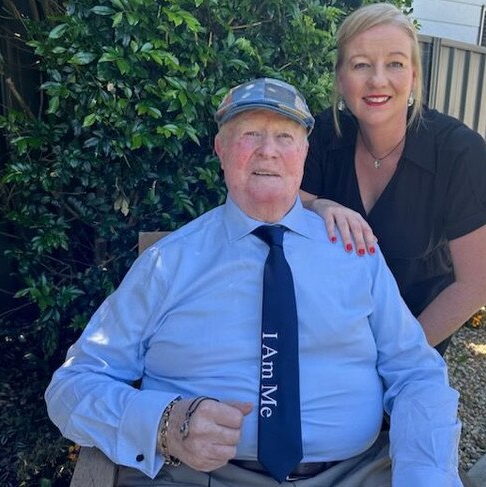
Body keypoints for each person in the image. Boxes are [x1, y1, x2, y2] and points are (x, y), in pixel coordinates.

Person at [46, 77, 463, 487]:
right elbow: (72, 385)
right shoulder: (168, 263)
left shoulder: (355, 254)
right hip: (199, 477)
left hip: (353, 474)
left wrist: (424, 474)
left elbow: (415, 372)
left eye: (285, 136)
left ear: (304, 153)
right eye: (249, 135)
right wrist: (166, 423)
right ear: (221, 150)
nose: (269, 151)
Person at [300, 3, 486, 355]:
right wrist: (319, 205)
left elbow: (479, 281)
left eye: (395, 63)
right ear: (340, 78)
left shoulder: (457, 151)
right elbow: (286, 212)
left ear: (414, 76)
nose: (377, 80)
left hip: (415, 341)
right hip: (325, 342)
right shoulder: (324, 136)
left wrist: (397, 357)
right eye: (361, 64)